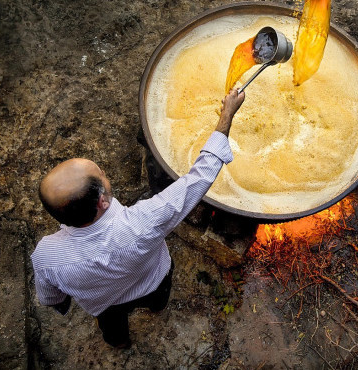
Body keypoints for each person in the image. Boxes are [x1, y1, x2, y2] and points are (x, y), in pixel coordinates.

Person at [31, 88, 245, 349]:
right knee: (157, 300)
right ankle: (156, 308)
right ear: (102, 202)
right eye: (102, 174)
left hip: (104, 305)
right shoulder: (144, 222)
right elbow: (199, 178)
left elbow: (52, 298)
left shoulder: (45, 257)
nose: (105, 173)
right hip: (153, 282)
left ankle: (120, 343)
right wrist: (226, 115)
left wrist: (69, 299)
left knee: (112, 328)